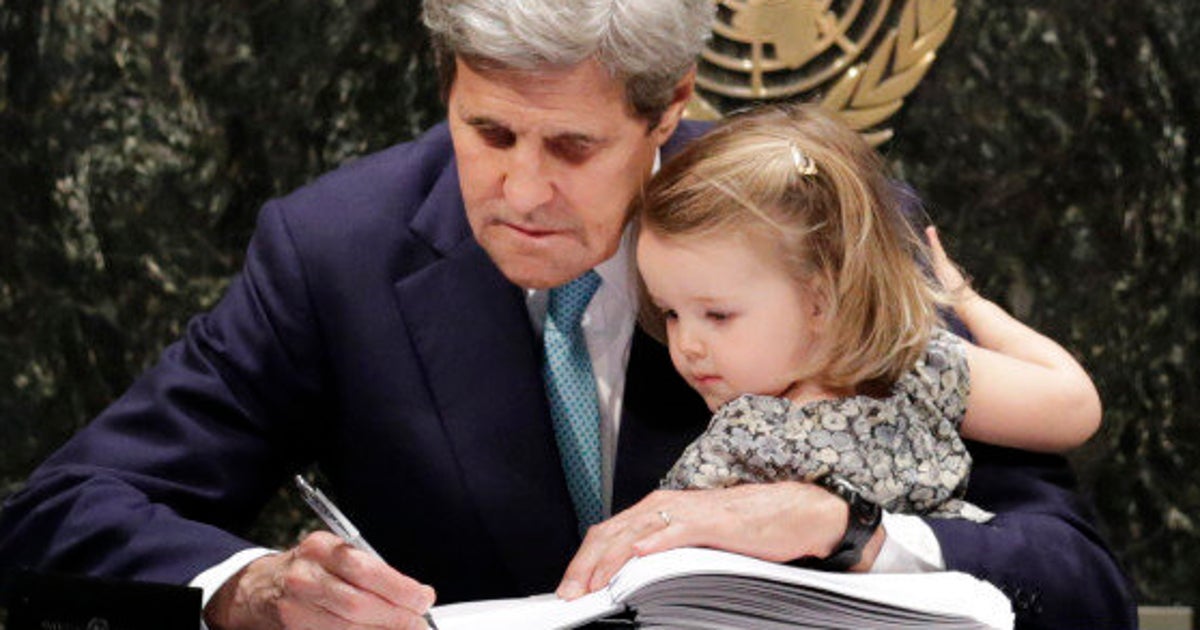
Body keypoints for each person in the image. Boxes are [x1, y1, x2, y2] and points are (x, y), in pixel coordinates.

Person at [0, 2, 1135, 629]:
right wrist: (245, 589)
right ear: (447, 90)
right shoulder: (332, 250)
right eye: (489, 134)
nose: (525, 191)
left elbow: (1081, 585)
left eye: (574, 147)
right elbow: (65, 506)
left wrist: (850, 537)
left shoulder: (812, 221)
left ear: (670, 111)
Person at [635, 103, 1101, 526]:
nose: (686, 345)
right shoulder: (731, 438)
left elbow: (1073, 409)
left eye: (717, 315)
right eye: (670, 314)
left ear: (821, 300)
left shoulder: (914, 365)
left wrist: (967, 303)